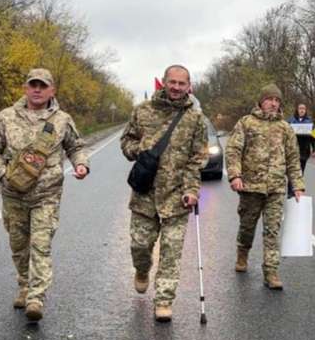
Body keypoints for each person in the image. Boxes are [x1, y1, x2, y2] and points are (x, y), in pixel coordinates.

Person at [0, 68, 90, 322]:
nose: (37, 90)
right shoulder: (7, 117)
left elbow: (75, 146)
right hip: (13, 193)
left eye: (43, 85)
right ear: (25, 88)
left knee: (40, 245)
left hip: (47, 194)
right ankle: (24, 284)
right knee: (19, 246)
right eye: (33, 85)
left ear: (52, 90)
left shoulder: (62, 120)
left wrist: (81, 164)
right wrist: (2, 173)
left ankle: (36, 298)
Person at [120, 64, 207, 322]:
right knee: (140, 245)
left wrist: (192, 190)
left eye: (182, 83)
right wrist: (141, 151)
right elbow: (126, 142)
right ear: (164, 83)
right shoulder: (143, 111)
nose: (177, 87)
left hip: (176, 196)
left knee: (171, 251)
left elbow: (198, 157)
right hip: (145, 195)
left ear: (188, 85)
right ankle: (142, 270)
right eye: (173, 82)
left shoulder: (196, 119)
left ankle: (164, 300)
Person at [225, 84, 305, 290]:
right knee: (247, 227)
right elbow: (233, 150)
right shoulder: (247, 123)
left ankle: (271, 271)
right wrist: (235, 175)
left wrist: (297, 184)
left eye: (277, 100)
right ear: (261, 101)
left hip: (276, 188)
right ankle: (242, 252)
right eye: (270, 99)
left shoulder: (285, 128)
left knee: (272, 230)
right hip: (250, 187)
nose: (273, 103)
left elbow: (293, 158)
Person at [287, 103, 315, 173]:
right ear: (297, 110)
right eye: (300, 108)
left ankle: (298, 183)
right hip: (292, 150)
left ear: (305, 110)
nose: (302, 110)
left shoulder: (309, 122)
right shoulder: (290, 121)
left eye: (303, 109)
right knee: (292, 172)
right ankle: (290, 184)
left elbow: (314, 137)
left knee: (301, 171)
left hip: (304, 151)